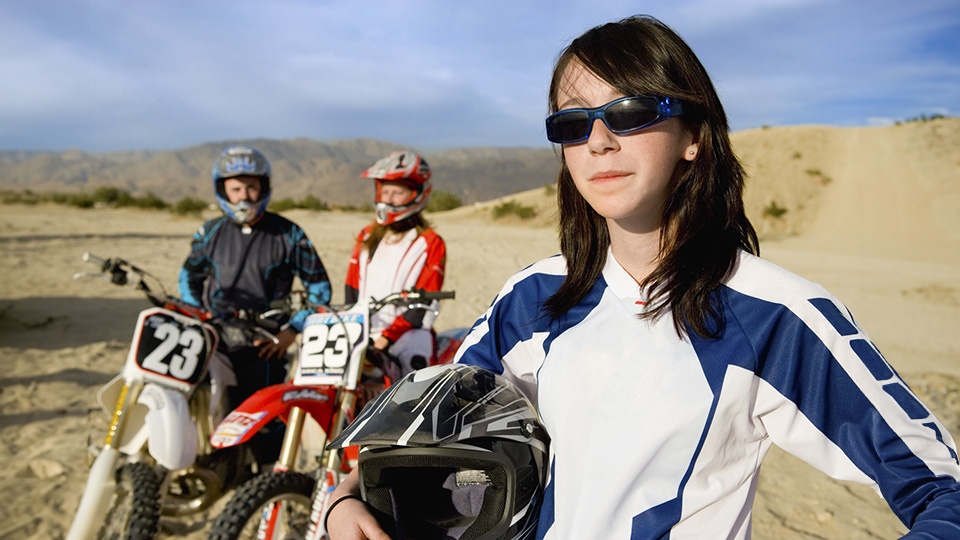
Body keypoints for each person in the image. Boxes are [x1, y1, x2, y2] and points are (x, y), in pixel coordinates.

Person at [326, 15, 960, 540]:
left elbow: (943, 489)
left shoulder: (774, 315)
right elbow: (434, 441)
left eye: (628, 112)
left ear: (692, 134)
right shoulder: (531, 297)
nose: (599, 140)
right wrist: (345, 500)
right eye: (573, 123)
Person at [179, 145, 332, 456]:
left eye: (252, 186)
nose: (244, 195)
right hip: (215, 340)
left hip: (266, 345)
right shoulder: (209, 231)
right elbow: (188, 276)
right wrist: (198, 315)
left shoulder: (289, 234)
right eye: (236, 188)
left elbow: (320, 290)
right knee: (212, 411)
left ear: (264, 187)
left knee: (265, 420)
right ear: (223, 190)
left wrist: (291, 331)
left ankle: (265, 483)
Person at [345, 150, 447, 380]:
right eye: (385, 190)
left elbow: (424, 304)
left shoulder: (430, 242)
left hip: (407, 335)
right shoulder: (366, 236)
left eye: (397, 192)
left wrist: (386, 339)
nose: (387, 199)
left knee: (413, 393)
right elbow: (351, 290)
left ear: (417, 193)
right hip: (363, 333)